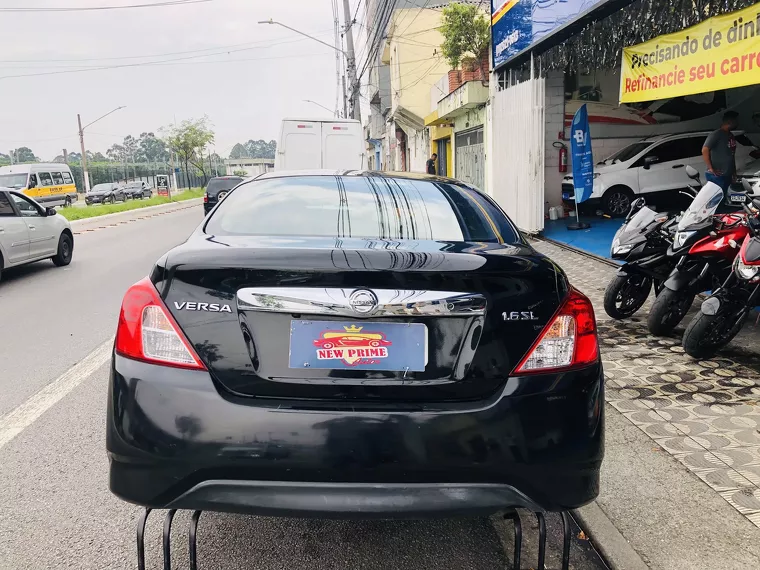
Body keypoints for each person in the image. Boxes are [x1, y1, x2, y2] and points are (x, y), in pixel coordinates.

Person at [702, 111, 739, 192]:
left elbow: (731, 155)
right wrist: (711, 168)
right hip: (717, 175)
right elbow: (705, 150)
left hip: (728, 174)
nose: (737, 123)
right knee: (717, 199)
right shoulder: (716, 134)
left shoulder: (730, 135)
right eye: (736, 121)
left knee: (727, 198)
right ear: (730, 122)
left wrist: (734, 172)